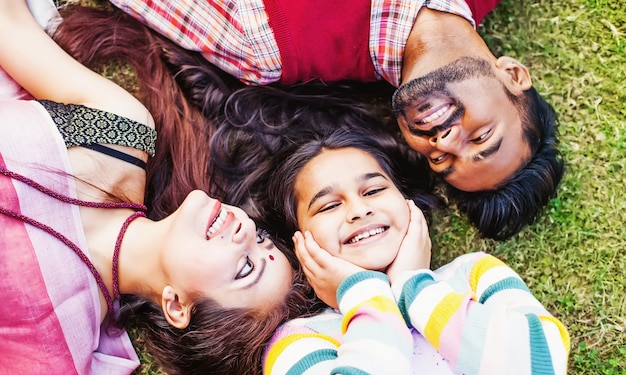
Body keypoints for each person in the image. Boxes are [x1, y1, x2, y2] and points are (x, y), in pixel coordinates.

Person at [0, 1, 320, 375]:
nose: (244, 230)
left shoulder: (58, 351)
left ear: (176, 305)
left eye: (245, 267)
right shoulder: (123, 134)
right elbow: (10, 29)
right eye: (261, 238)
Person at [106, 0, 565, 240]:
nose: (445, 140)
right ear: (512, 75)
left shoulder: (269, 47)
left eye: (442, 160)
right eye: (482, 136)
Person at [260, 130, 570, 375]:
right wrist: (363, 295)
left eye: (373, 190)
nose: (359, 210)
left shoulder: (475, 274)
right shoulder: (298, 343)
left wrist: (414, 287)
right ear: (298, 240)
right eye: (328, 206)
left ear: (406, 201)